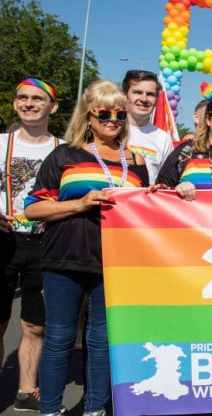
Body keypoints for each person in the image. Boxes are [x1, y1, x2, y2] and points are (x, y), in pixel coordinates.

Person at [24, 80, 150, 416]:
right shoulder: (65, 154)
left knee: (101, 343)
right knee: (59, 339)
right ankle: (50, 409)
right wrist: (80, 204)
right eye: (104, 113)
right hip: (64, 258)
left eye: (120, 115)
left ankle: (95, 409)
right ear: (88, 116)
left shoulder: (137, 161)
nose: (112, 120)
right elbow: (33, 209)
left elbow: (148, 210)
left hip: (114, 263)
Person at [0, 77, 61, 412]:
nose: (29, 104)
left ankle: (26, 389)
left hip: (43, 242)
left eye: (37, 99)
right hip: (3, 241)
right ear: (14, 103)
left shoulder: (63, 149)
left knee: (35, 323)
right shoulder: (0, 143)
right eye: (22, 97)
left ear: (52, 106)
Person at [122, 70, 174, 182]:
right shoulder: (110, 130)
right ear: (125, 95)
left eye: (150, 94)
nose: (144, 99)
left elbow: (166, 182)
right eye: (137, 92)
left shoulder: (163, 138)